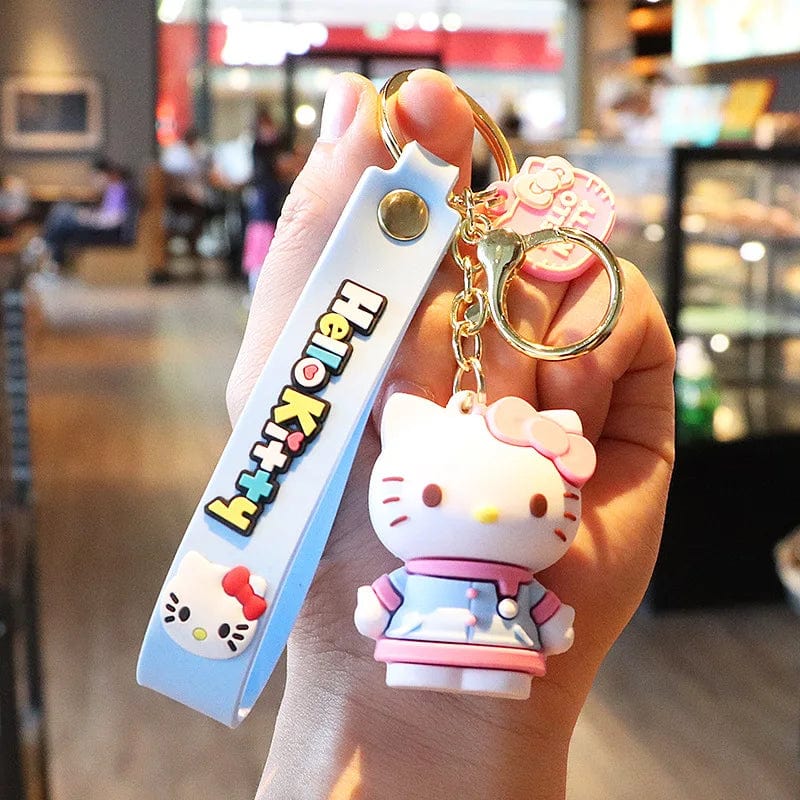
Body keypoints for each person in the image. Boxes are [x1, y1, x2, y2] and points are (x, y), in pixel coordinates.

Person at [226, 70, 676, 800]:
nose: (493, 511)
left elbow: (527, 615)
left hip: (501, 657)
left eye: (535, 507)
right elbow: (392, 600)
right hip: (428, 646)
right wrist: (347, 652)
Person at [30, 158, 132, 270]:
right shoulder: (114, 189)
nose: (97, 179)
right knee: (62, 212)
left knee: (61, 215)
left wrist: (86, 218)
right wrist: (87, 215)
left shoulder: (117, 190)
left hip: (107, 232)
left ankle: (45, 249)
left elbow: (111, 221)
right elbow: (106, 214)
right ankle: (48, 252)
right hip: (100, 226)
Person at [241, 110, 294, 293]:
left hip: (270, 204)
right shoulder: (261, 148)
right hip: (264, 208)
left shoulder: (275, 146)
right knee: (261, 245)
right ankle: (257, 289)